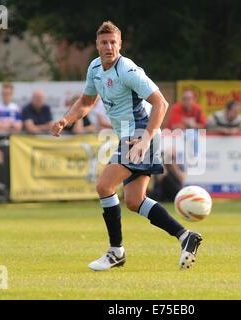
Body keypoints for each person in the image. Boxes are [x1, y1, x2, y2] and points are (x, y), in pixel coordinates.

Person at [51, 21, 202, 271]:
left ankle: (116, 251)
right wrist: (66, 120)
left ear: (120, 44)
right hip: (132, 137)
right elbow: (87, 101)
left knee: (104, 185)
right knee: (134, 201)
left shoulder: (128, 69)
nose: (109, 46)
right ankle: (186, 236)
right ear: (97, 46)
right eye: (104, 42)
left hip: (141, 134)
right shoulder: (95, 67)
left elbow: (161, 103)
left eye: (113, 42)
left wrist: (145, 140)